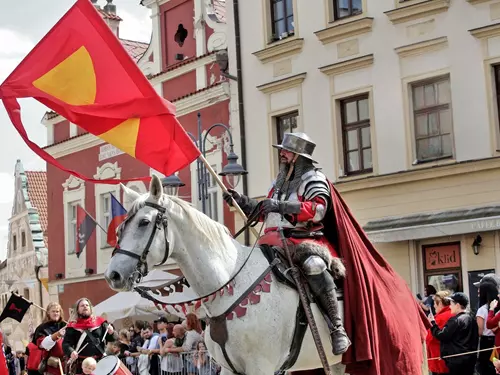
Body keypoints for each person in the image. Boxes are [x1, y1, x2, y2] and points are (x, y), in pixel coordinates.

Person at [223, 132, 350, 355]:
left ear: (299, 157)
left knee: (314, 266)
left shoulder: (313, 179)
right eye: (282, 150)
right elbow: (265, 212)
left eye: (287, 151)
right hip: (273, 242)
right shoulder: (280, 183)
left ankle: (337, 328)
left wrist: (281, 206)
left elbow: (318, 211)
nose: (282, 154)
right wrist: (241, 201)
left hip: (305, 241)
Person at [62, 298, 116, 374]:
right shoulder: (72, 327)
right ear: (77, 310)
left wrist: (111, 332)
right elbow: (66, 344)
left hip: (99, 362)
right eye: (82, 305)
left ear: (90, 308)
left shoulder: (101, 322)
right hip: (81, 364)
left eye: (87, 305)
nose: (85, 307)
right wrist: (71, 352)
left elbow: (111, 339)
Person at [430, 292, 479, 375]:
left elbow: (442, 335)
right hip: (470, 359)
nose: (450, 306)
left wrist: (433, 324)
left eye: (451, 304)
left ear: (457, 305)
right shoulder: (471, 319)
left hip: (457, 361)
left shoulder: (456, 320)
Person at [31, 302, 67, 375]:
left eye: (57, 311)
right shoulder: (42, 328)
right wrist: (57, 335)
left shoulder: (66, 325)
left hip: (67, 364)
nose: (55, 313)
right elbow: (43, 345)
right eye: (53, 311)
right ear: (48, 313)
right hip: (52, 365)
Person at [426, 290, 453, 375]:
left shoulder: (440, 318)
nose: (434, 306)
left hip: (439, 359)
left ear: (440, 303)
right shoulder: (453, 314)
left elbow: (429, 338)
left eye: (434, 303)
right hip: (450, 359)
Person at [477, 281, 499, 375]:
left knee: (486, 367)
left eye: (479, 291)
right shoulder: (498, 307)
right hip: (497, 339)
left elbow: (480, 331)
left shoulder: (482, 310)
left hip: (487, 342)